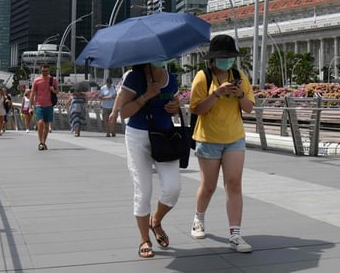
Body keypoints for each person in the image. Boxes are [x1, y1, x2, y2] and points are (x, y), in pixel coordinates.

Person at [108, 61, 182, 259]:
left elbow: (176, 106)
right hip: (138, 137)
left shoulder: (170, 78)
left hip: (164, 137)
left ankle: (155, 221)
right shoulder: (134, 77)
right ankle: (144, 239)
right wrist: (146, 96)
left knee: (173, 188)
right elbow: (123, 113)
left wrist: (175, 107)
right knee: (143, 191)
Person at [189, 34, 255, 253]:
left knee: (234, 184)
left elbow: (249, 108)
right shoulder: (202, 77)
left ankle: (235, 234)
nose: (227, 61)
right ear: (213, 59)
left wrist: (239, 95)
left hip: (234, 137)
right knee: (208, 186)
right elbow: (197, 109)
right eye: (222, 57)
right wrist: (216, 94)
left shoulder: (239, 76)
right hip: (208, 139)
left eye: (229, 57)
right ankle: (198, 218)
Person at [28, 65, 58, 150]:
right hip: (39, 104)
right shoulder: (37, 80)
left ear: (49, 71)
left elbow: (57, 91)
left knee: (47, 125)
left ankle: (44, 142)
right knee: (40, 122)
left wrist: (53, 90)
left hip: (49, 105)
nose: (44, 73)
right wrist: (30, 107)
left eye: (46, 71)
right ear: (40, 71)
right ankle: (40, 142)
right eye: (43, 71)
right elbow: (32, 94)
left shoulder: (53, 80)